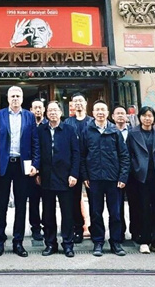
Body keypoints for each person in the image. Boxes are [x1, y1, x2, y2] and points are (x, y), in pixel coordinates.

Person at [0, 86, 40, 257]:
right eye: (13, 96)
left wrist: (35, 164)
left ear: (22, 98)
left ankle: (18, 242)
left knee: (21, 205)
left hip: (22, 165)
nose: (15, 98)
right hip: (4, 164)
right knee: (1, 205)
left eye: (18, 96)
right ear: (8, 98)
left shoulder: (29, 116)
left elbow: (35, 143)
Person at [81, 100, 129, 257]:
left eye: (103, 109)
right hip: (94, 179)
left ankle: (115, 242)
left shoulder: (115, 131)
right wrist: (85, 176)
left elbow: (124, 155)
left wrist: (123, 176)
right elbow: (82, 156)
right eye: (97, 110)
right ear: (92, 113)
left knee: (115, 213)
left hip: (113, 179)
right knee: (96, 212)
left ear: (108, 113)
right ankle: (98, 242)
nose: (100, 112)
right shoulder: (87, 131)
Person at [36, 101, 79, 257]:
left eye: (55, 110)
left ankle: (68, 244)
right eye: (50, 110)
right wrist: (37, 172)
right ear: (46, 113)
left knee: (67, 213)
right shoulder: (41, 130)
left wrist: (74, 174)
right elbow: (37, 152)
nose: (52, 113)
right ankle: (50, 243)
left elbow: (76, 153)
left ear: (61, 112)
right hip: (46, 177)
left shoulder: (69, 130)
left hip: (65, 177)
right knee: (48, 213)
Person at [126, 106, 155, 255]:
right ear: (140, 117)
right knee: (143, 209)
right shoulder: (133, 134)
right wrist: (134, 170)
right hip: (140, 177)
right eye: (144, 115)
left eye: (150, 116)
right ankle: (144, 240)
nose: (147, 118)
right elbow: (128, 155)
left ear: (154, 118)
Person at [63, 92, 93, 244]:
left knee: (94, 200)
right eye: (75, 101)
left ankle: (95, 229)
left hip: (91, 166)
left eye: (81, 101)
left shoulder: (92, 122)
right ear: (72, 105)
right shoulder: (67, 123)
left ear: (86, 103)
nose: (78, 104)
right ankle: (78, 229)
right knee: (74, 200)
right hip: (73, 166)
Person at [111, 105, 133, 242]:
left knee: (135, 203)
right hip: (115, 173)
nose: (120, 116)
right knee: (117, 205)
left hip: (133, 173)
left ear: (127, 116)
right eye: (117, 113)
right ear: (112, 116)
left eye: (122, 113)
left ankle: (136, 231)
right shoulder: (110, 131)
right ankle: (120, 233)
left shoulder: (133, 132)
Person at [28, 99, 46, 241]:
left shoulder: (49, 125)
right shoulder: (28, 125)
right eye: (35, 108)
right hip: (32, 168)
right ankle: (35, 228)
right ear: (31, 110)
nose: (38, 110)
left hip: (47, 169)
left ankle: (47, 225)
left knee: (47, 200)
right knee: (33, 200)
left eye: (40, 107)